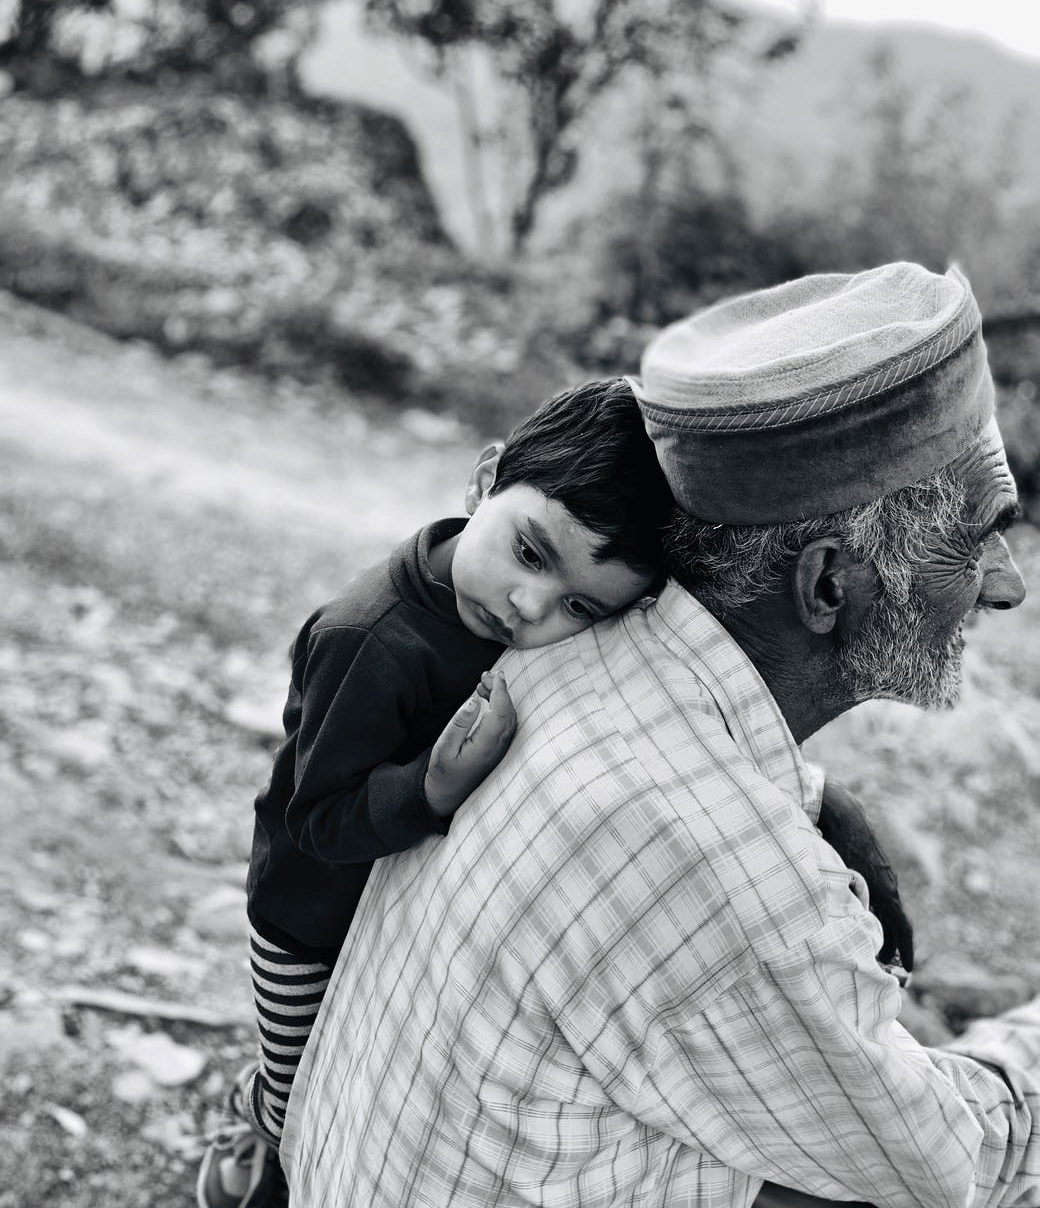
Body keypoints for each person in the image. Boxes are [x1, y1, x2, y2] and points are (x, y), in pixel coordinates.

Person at [280, 262, 1040, 1208]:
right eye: (978, 538)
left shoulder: (571, 653)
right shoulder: (739, 880)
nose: (1005, 583)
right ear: (830, 584)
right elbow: (946, 1165)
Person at [196, 378, 675, 1208]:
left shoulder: (513, 617)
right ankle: (257, 1143)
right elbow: (315, 821)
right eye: (529, 553)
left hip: (391, 911)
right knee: (299, 1092)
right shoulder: (370, 639)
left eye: (578, 607)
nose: (530, 606)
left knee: (356, 1077)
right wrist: (432, 785)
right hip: (308, 920)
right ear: (485, 479)